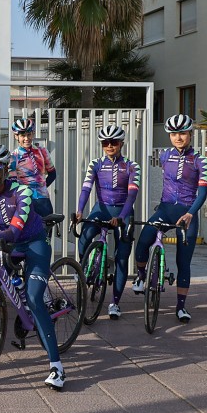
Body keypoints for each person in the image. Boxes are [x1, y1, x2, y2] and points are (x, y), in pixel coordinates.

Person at [0, 143, 65, 390]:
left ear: (6, 169)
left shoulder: (22, 192)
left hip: (32, 244)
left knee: (34, 299)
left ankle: (57, 367)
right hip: (5, 246)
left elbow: (14, 231)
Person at [132, 114, 207, 323]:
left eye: (182, 133)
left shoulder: (200, 160)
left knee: (183, 262)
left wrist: (191, 213)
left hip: (187, 213)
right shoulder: (165, 155)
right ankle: (141, 277)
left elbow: (202, 193)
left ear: (190, 134)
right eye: (174, 134)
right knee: (142, 244)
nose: (178, 137)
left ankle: (181, 308)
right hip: (165, 210)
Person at [74, 125, 141, 321]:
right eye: (105, 143)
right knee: (85, 236)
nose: (109, 146)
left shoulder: (131, 165)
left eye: (114, 142)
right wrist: (79, 210)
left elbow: (131, 195)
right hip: (100, 209)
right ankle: (83, 268)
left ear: (121, 143)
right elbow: (86, 189)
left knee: (122, 257)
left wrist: (121, 217)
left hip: (123, 211)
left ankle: (115, 303)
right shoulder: (95, 164)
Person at [8, 118, 57, 217]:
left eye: (29, 134)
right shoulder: (13, 157)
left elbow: (53, 174)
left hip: (43, 200)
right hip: (25, 200)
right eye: (22, 135)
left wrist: (42, 186)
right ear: (16, 136)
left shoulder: (42, 151)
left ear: (33, 134)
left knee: (46, 230)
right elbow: (12, 183)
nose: (26, 138)